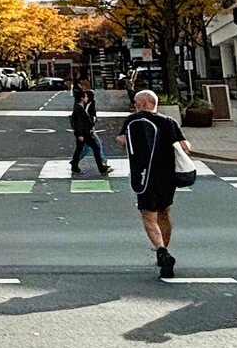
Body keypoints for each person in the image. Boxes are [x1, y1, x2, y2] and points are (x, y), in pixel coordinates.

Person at [119, 90, 187, 278]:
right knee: (164, 213)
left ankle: (162, 251)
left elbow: (122, 140)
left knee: (149, 216)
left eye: (135, 102)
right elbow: (185, 147)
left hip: (143, 175)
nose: (134, 105)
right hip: (166, 176)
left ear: (143, 103)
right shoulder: (169, 121)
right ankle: (164, 250)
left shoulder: (133, 121)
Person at [69, 81, 110, 176]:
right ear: (82, 99)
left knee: (79, 149)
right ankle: (102, 169)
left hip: (84, 133)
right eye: (85, 97)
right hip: (84, 134)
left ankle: (74, 166)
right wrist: (80, 134)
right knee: (95, 148)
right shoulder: (79, 110)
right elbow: (78, 123)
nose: (87, 98)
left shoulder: (80, 108)